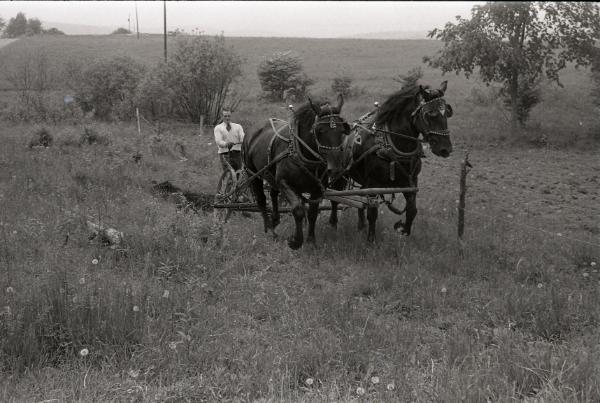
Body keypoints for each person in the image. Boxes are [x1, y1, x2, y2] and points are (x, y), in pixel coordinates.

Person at [214, 109, 245, 174]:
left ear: (231, 116)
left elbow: (242, 136)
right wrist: (226, 144)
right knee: (229, 174)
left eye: (229, 116)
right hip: (225, 154)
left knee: (239, 173)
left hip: (237, 154)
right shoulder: (218, 128)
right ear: (222, 116)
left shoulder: (238, 127)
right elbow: (218, 141)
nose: (227, 118)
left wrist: (243, 140)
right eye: (225, 116)